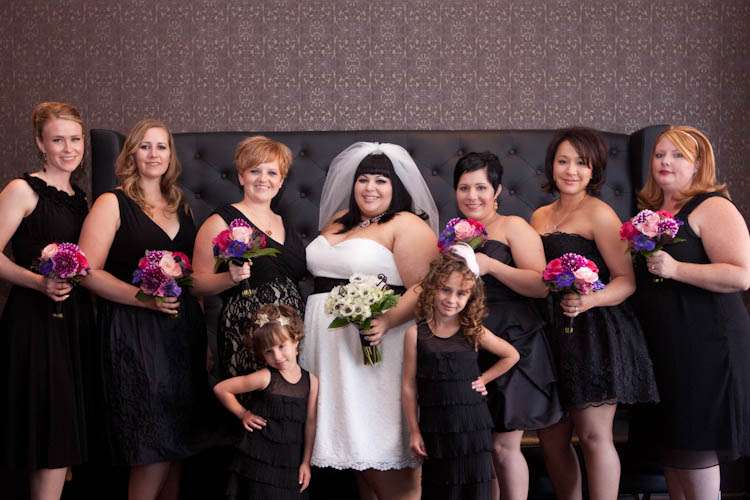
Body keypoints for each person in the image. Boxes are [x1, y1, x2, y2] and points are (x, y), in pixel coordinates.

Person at [78, 118, 210, 500]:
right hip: (134, 330)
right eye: (145, 146)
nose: (154, 154)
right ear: (131, 154)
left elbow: (191, 279)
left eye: (161, 147)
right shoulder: (112, 202)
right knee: (153, 440)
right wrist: (143, 298)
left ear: (171, 156)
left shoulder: (181, 206)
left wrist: (203, 338)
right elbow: (87, 271)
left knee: (179, 440)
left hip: (182, 330)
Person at [300, 142, 439, 500]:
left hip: (373, 348)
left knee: (376, 440)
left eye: (380, 181)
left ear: (396, 187)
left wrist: (387, 320)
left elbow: (425, 286)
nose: (370, 188)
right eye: (363, 179)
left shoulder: (407, 223)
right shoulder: (339, 219)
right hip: (328, 351)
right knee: (355, 453)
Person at [529, 127, 659, 500]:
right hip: (551, 333)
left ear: (594, 169)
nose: (571, 170)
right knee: (551, 436)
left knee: (593, 435)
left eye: (581, 163)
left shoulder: (600, 213)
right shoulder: (539, 216)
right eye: (563, 161)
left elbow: (626, 280)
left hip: (594, 331)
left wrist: (588, 300)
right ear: (552, 166)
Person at [630, 126, 750, 500]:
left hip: (706, 346)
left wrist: (677, 269)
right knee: (675, 447)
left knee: (695, 444)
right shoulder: (651, 214)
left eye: (678, 155)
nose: (665, 162)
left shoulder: (713, 206)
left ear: (698, 164)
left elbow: (741, 275)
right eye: (659, 154)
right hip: (667, 348)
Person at [453, 152, 562, 500]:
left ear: (497, 190)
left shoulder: (513, 226)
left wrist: (492, 266)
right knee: (484, 445)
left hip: (515, 339)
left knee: (504, 446)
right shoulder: (454, 234)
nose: (472, 196)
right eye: (464, 188)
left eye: (481, 187)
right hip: (472, 340)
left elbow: (541, 285)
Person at [0, 102, 93, 500]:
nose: (69, 149)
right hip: (34, 321)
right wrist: (39, 283)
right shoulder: (22, 190)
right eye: (58, 140)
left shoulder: (79, 197)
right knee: (48, 430)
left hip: (72, 321)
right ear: (40, 143)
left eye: (75, 139)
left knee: (59, 434)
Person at [402, 247, 520, 500]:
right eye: (446, 290)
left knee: (474, 488)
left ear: (471, 298)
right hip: (436, 427)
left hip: (473, 424)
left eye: (461, 293)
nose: (451, 299)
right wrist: (414, 431)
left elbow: (511, 355)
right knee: (440, 487)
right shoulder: (415, 334)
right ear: (433, 288)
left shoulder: (473, 331)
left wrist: (484, 379)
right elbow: (409, 386)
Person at [192, 136, 306, 380]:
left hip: (291, 339)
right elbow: (195, 284)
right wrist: (230, 278)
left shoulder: (285, 223)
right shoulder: (220, 221)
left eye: (272, 173)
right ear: (241, 176)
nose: (263, 179)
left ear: (281, 181)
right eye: (255, 171)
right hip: (247, 334)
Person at [213, 304, 318, 500]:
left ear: (295, 340)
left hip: (291, 463)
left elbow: (311, 423)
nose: (277, 356)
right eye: (269, 352)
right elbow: (221, 388)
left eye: (282, 346)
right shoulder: (265, 377)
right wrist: (243, 414)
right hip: (260, 461)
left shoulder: (312, 381)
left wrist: (306, 462)